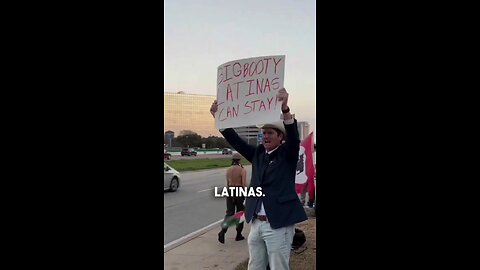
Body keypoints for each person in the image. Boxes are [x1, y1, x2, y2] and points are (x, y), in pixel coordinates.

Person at [210, 88, 307, 270]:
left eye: (271, 132)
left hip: (278, 224)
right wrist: (219, 120)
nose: (266, 136)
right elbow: (237, 142)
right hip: (256, 223)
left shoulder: (288, 155)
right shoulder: (258, 155)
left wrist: (285, 109)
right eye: (264, 133)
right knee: (255, 266)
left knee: (279, 266)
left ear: (281, 137)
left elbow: (294, 139)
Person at [218, 152, 247, 244]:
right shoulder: (242, 170)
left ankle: (223, 231)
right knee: (240, 213)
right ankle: (238, 235)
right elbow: (243, 184)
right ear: (239, 160)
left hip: (230, 190)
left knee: (229, 213)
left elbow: (227, 183)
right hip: (239, 191)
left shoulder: (228, 169)